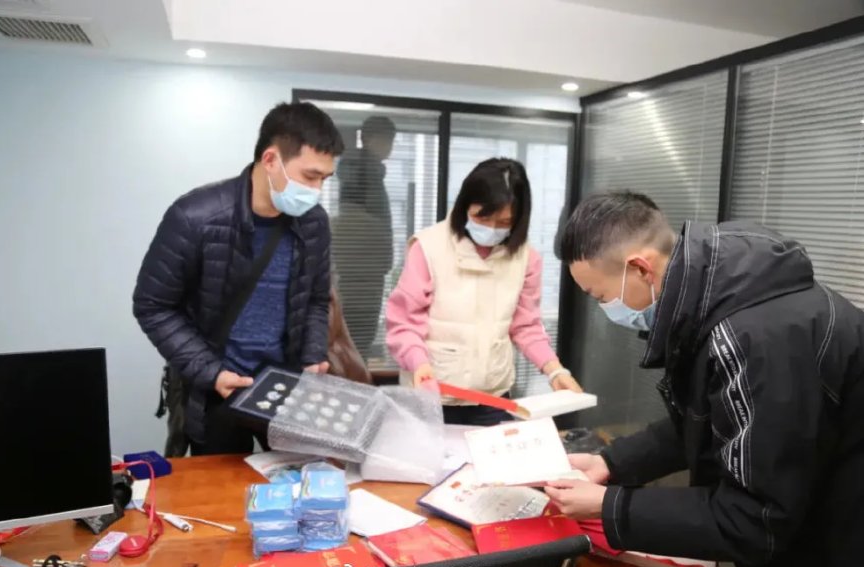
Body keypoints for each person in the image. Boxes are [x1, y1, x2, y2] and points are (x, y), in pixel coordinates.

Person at [546, 191, 864, 567]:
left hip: (838, 561)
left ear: (640, 268)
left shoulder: (757, 340)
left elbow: (753, 519)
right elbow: (706, 421)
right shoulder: (722, 298)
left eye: (602, 297)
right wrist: (611, 462)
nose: (606, 310)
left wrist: (610, 507)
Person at [133, 102, 344, 456]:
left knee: (296, 483)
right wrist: (211, 372)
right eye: (310, 177)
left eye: (325, 178)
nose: (317, 189)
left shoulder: (314, 223)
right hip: (219, 389)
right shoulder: (195, 216)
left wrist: (311, 356)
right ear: (271, 160)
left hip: (286, 387)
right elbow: (152, 306)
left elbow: (315, 300)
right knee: (222, 488)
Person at [386, 158, 582, 426]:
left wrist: (555, 371)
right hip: (430, 393)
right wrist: (418, 364)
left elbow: (526, 326)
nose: (491, 229)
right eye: (482, 217)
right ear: (465, 205)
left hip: (492, 398)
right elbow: (403, 324)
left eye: (504, 222)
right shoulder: (428, 248)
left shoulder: (526, 258)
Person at [333, 116, 397, 357]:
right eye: (387, 140)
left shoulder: (366, 172)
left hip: (364, 272)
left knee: (355, 345)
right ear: (370, 139)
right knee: (355, 346)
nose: (390, 147)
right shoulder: (363, 173)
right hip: (360, 276)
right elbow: (361, 224)